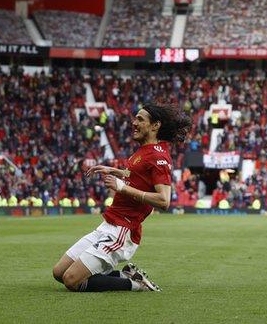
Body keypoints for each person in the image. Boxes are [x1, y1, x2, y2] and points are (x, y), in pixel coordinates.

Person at [52, 103, 191, 292]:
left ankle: (135, 285)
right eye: (135, 118)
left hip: (122, 231)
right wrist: (114, 171)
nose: (134, 123)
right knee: (59, 272)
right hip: (108, 224)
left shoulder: (159, 158)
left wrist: (122, 188)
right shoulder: (143, 151)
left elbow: (163, 200)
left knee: (71, 280)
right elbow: (136, 175)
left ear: (155, 125)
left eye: (140, 119)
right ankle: (126, 275)